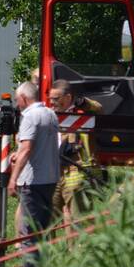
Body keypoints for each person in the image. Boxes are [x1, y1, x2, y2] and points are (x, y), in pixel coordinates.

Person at [7, 81, 60, 267]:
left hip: (33, 180)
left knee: (29, 229)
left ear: (23, 98)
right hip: (50, 178)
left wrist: (13, 179)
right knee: (42, 228)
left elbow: (27, 148)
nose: (16, 103)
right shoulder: (50, 114)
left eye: (16, 99)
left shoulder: (30, 116)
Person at [49, 79, 104, 220]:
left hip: (76, 174)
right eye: (50, 99)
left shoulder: (82, 113)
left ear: (68, 97)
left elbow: (98, 109)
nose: (51, 102)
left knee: (78, 220)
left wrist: (82, 101)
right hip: (54, 174)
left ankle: (78, 243)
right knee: (46, 220)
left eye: (56, 99)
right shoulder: (50, 114)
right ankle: (49, 243)